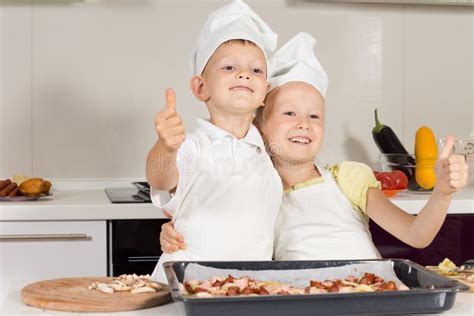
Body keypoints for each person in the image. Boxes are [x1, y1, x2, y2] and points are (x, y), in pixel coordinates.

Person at [159, 32, 469, 261]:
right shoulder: (253, 189)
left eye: (314, 115)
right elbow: (217, 225)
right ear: (259, 126)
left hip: (371, 293)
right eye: (289, 113)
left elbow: (417, 234)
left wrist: (442, 193)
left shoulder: (348, 177)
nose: (303, 123)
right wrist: (180, 234)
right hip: (301, 301)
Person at [145, 0, 283, 283]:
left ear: (265, 91)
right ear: (200, 87)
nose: (244, 74)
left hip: (247, 288)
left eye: (256, 70)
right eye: (229, 67)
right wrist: (166, 147)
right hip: (189, 283)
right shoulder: (193, 145)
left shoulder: (269, 153)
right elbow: (161, 180)